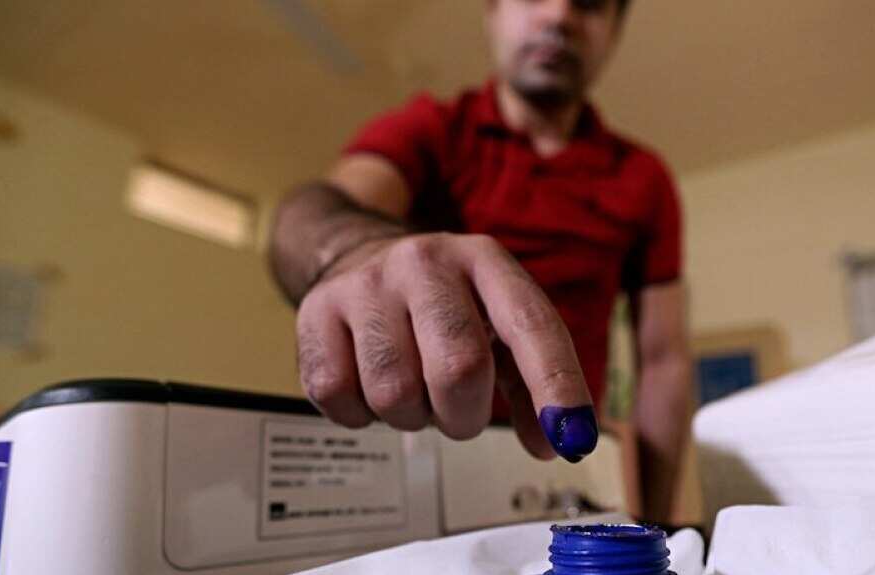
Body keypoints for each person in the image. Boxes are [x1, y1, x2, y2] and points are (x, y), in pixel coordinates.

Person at [269, 0, 689, 524]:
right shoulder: (432, 129)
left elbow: (664, 360)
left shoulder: (643, 177)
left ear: (614, 32)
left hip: (562, 478)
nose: (558, 16)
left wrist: (657, 524)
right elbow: (312, 212)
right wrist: (354, 251)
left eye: (590, 4)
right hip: (411, 475)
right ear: (492, 11)